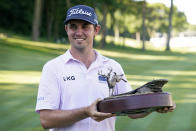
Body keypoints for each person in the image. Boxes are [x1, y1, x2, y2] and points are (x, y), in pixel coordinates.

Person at [35, 5, 175, 131]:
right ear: (66, 29)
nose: (79, 32)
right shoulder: (53, 68)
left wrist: (154, 106)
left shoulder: (112, 67)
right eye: (73, 26)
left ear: (96, 30)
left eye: (85, 26)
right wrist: (85, 112)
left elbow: (132, 109)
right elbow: (46, 120)